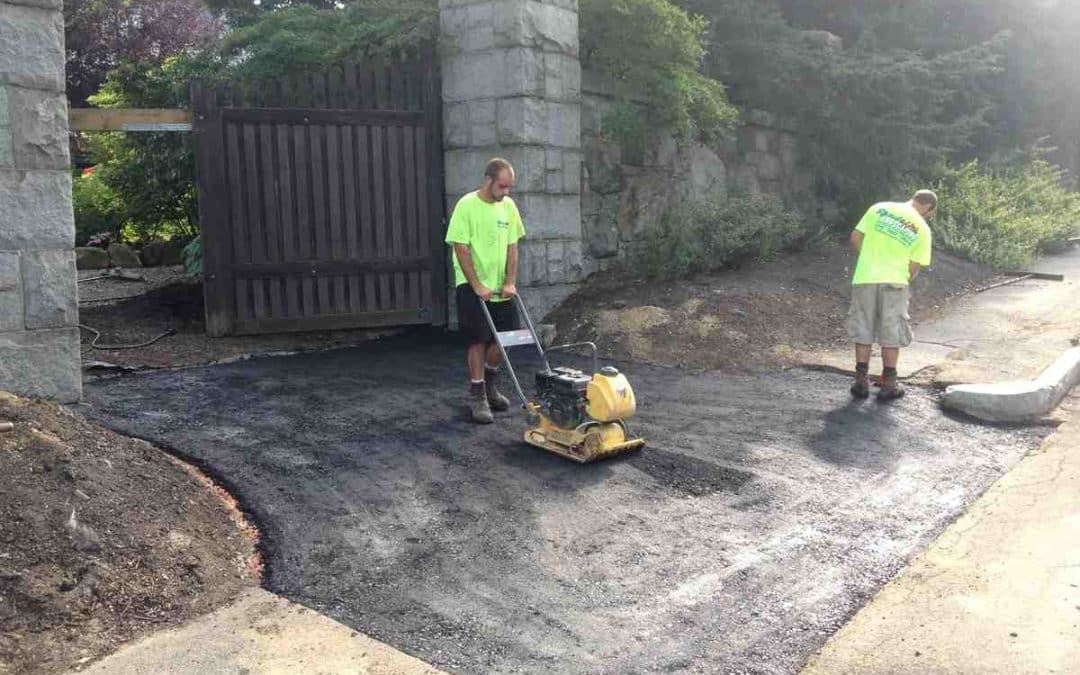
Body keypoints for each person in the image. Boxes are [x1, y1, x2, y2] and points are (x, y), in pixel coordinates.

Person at [445, 158, 526, 424]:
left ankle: (491, 383)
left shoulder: (509, 207)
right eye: (502, 186)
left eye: (509, 187)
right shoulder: (466, 206)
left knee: (508, 338)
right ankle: (477, 393)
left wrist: (510, 280)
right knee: (477, 339)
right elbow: (460, 247)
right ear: (488, 180)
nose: (506, 192)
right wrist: (477, 285)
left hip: (501, 287)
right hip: (472, 286)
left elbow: (513, 247)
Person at [847, 190, 936, 401]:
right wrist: (903, 276)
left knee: (863, 327)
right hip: (895, 282)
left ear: (912, 198)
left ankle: (861, 382)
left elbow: (855, 238)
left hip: (865, 277)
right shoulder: (922, 227)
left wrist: (871, 259)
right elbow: (914, 266)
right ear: (928, 209)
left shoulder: (878, 208)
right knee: (891, 331)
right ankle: (889, 384)